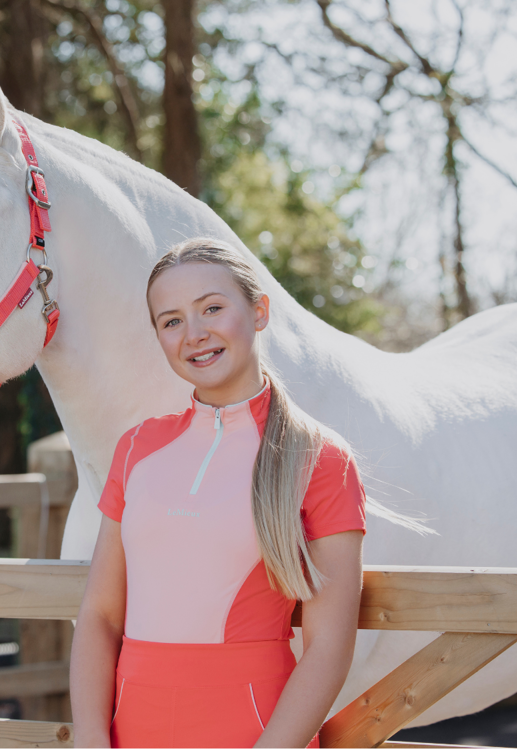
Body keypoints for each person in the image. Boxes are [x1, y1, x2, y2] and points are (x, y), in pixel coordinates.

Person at [70, 238, 366, 748]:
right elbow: (99, 616)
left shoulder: (320, 459)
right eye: (171, 320)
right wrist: (92, 739)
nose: (195, 334)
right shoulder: (137, 448)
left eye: (211, 308)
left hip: (254, 734)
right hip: (130, 732)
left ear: (258, 311)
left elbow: (329, 647)